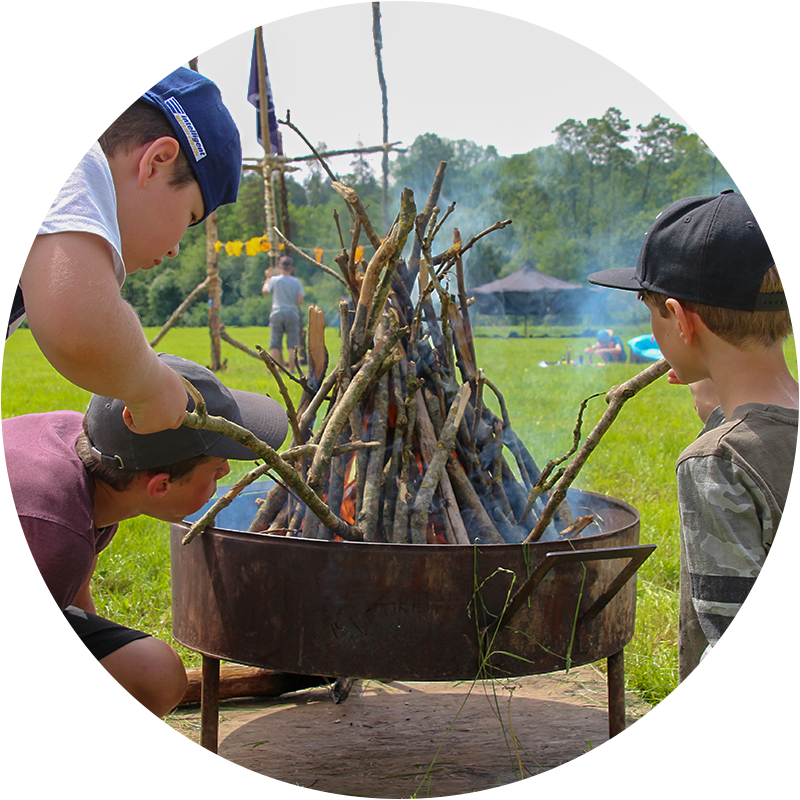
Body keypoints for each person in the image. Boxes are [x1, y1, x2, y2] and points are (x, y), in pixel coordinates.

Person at [588, 190, 799, 798]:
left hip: (773, 764)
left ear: (680, 319)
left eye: (652, 312)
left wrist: (668, 772)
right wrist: (719, 406)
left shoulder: (718, 466)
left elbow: (752, 680)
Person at [1, 353, 288, 798]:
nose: (226, 476)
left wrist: (117, 746)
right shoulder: (52, 538)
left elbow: (68, 592)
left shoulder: (87, 448)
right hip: (9, 592)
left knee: (154, 677)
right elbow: (49, 559)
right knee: (16, 587)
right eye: (215, 472)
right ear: (159, 486)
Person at [1, 42, 241, 434]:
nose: (175, 248)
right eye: (190, 216)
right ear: (156, 162)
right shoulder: (66, 148)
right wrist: (150, 385)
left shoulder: (27, 244)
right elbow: (78, 325)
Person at [262, 255, 304, 371]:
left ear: (280, 266)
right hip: (292, 314)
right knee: (292, 344)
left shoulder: (274, 280)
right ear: (292, 268)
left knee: (275, 343)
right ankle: (292, 369)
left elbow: (265, 291)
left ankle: (272, 369)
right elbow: (299, 301)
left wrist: (268, 278)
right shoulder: (296, 282)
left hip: (277, 313)